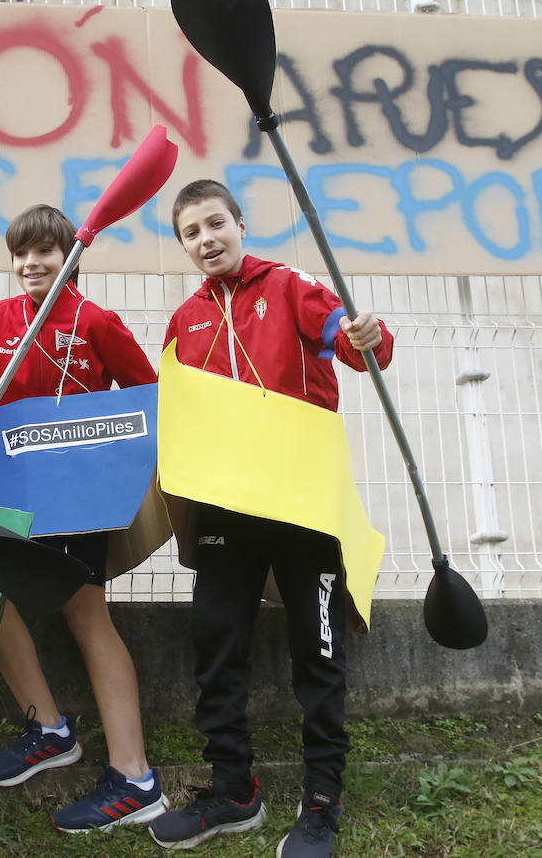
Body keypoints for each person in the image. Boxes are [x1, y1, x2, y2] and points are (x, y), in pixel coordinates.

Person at [146, 180, 393, 858]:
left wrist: (368, 335)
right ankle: (233, 791)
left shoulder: (290, 287)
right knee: (217, 638)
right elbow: (173, 414)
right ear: (184, 246)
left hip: (303, 503)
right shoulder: (184, 322)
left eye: (215, 223)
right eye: (192, 232)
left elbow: (351, 341)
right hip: (228, 508)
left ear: (240, 224)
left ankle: (322, 799)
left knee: (317, 650)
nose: (207, 239)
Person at [0, 204, 165, 832]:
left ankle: (136, 777)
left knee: (85, 613)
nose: (33, 264)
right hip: (9, 492)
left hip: (78, 502)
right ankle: (50, 729)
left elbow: (146, 399)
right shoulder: (0, 318)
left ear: (71, 258)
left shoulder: (98, 322)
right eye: (22, 254)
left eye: (46, 252)